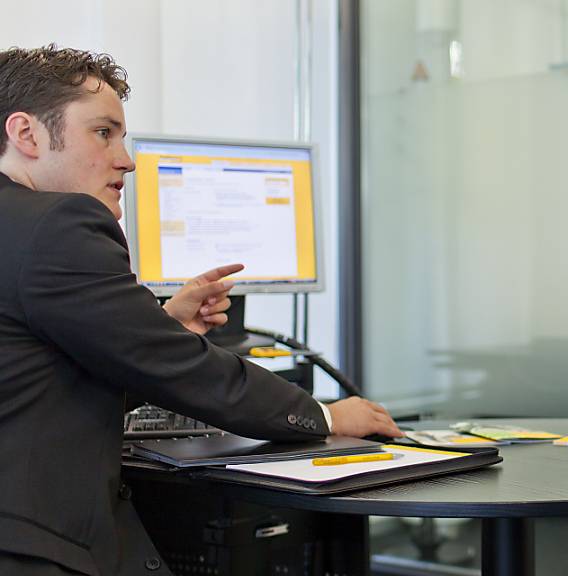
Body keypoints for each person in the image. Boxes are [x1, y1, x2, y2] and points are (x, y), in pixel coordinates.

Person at [0, 45, 402, 576]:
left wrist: (163, 328)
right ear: (26, 134)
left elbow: (37, 384)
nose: (127, 159)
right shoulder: (59, 224)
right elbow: (188, 371)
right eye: (104, 133)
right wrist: (326, 414)